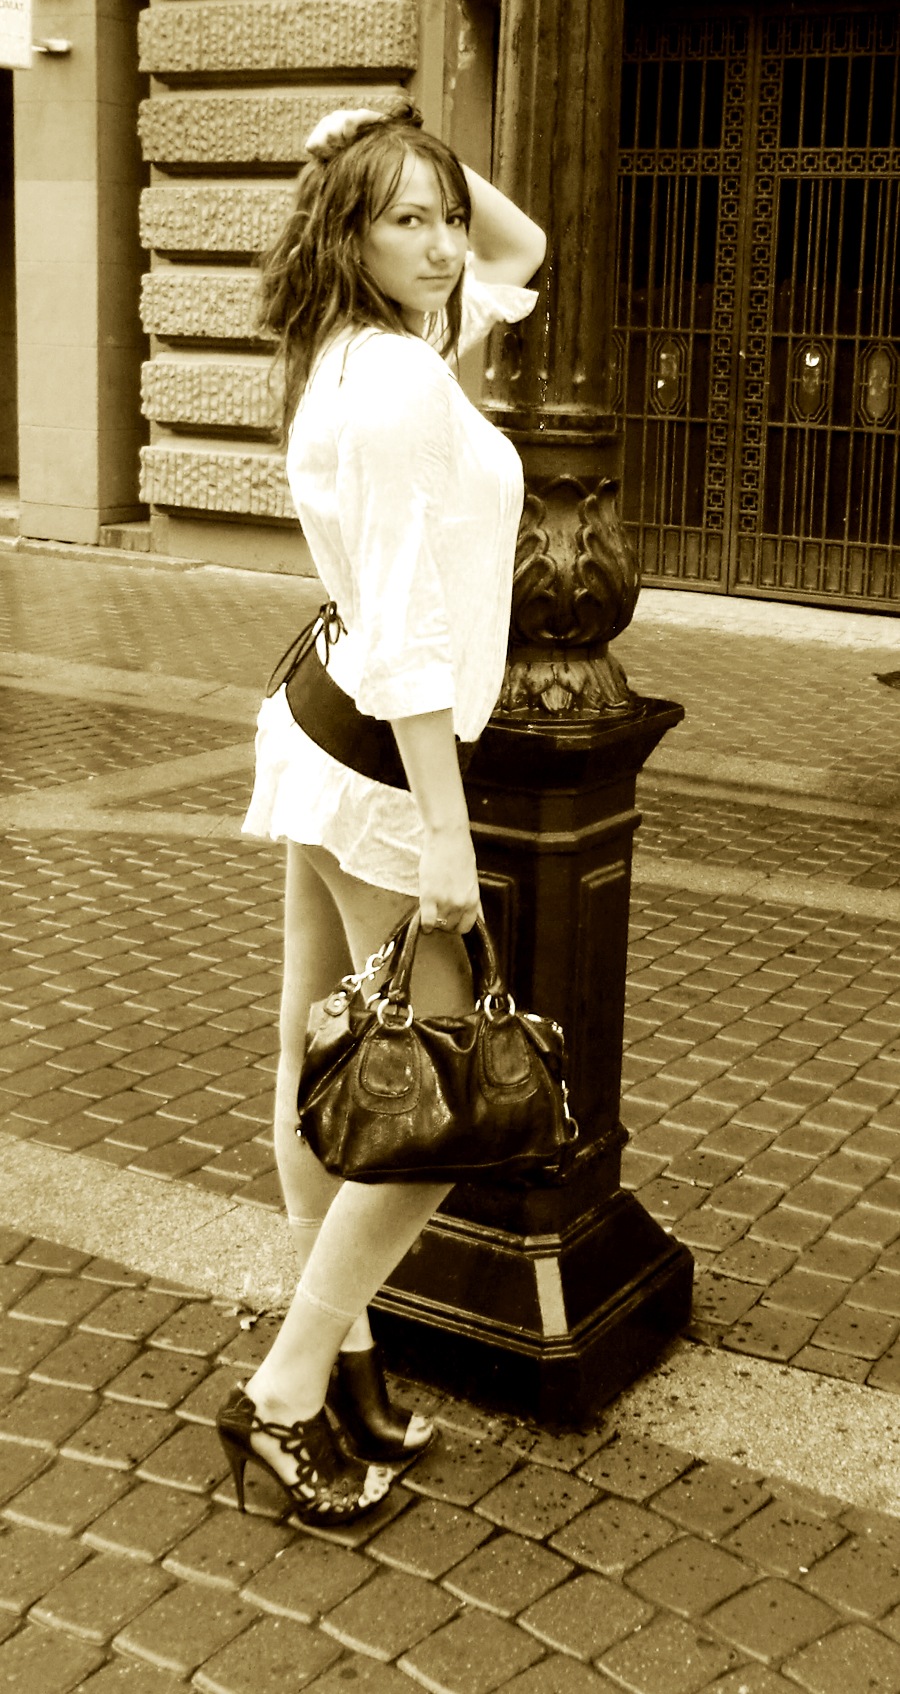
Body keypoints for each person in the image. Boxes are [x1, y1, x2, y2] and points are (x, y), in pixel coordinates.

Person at [218, 102, 546, 1526]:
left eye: (441, 213)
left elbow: (522, 245)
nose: (443, 244)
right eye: (403, 218)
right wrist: (450, 843)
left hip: (323, 711)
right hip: (382, 747)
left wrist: (394, 137)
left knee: (320, 1055)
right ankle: (286, 1391)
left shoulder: (357, 348)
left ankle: (347, 1360)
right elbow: (412, 626)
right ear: (346, 235)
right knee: (442, 1114)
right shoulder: (404, 381)